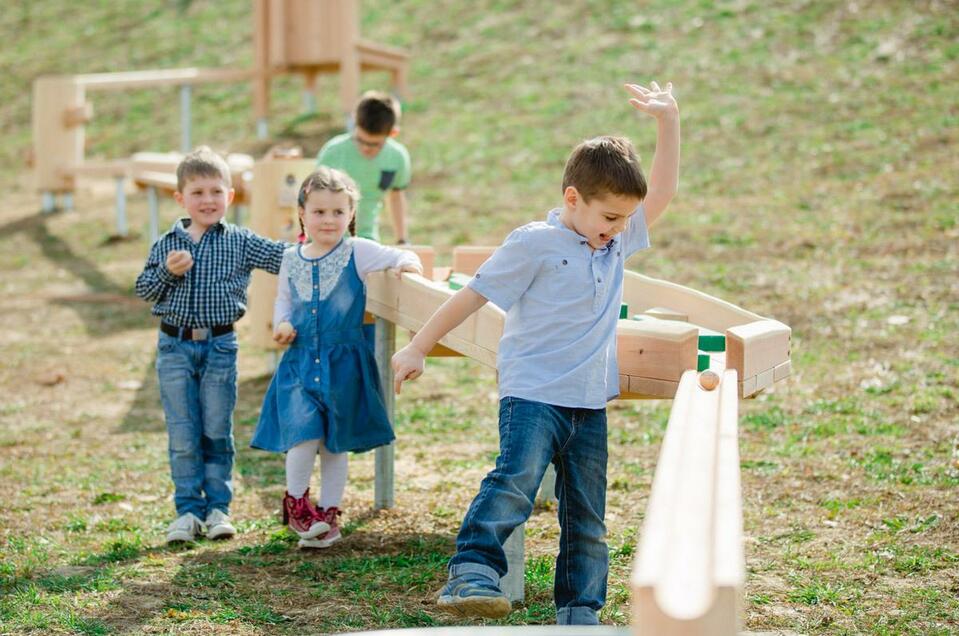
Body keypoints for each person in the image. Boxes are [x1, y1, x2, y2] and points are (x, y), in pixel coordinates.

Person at [391, 82, 680, 624]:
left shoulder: (612, 240)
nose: (619, 230)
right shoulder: (533, 243)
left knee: (587, 512)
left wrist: (669, 122)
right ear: (573, 199)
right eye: (610, 218)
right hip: (533, 393)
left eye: (624, 220)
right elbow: (473, 295)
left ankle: (578, 607)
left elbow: (662, 192)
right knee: (515, 482)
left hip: (590, 398)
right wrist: (417, 345)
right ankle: (472, 571)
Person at [251, 167, 422, 548]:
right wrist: (281, 323)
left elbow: (402, 253)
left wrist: (406, 266)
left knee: (334, 443)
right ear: (302, 214)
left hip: (344, 363)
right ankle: (296, 504)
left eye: (338, 213)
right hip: (299, 360)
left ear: (350, 215)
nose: (329, 220)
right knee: (303, 434)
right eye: (319, 212)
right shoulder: (291, 257)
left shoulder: (357, 251)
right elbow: (284, 300)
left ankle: (327, 515)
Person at [135, 146, 288, 544]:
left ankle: (218, 507)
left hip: (221, 345)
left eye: (216, 192)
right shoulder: (168, 243)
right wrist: (168, 274)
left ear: (230, 197)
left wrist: (330, 244)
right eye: (198, 192)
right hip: (174, 348)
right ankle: (187, 511)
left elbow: (285, 258)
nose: (208, 200)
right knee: (183, 431)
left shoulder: (239, 241)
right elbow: (144, 290)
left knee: (217, 428)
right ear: (180, 198)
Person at [316, 90, 412, 245]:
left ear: (393, 133)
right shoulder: (333, 152)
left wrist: (402, 240)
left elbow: (396, 197)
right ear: (354, 123)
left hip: (367, 239)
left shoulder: (397, 157)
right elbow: (314, 199)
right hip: (329, 240)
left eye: (375, 144)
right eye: (361, 140)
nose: (366, 148)